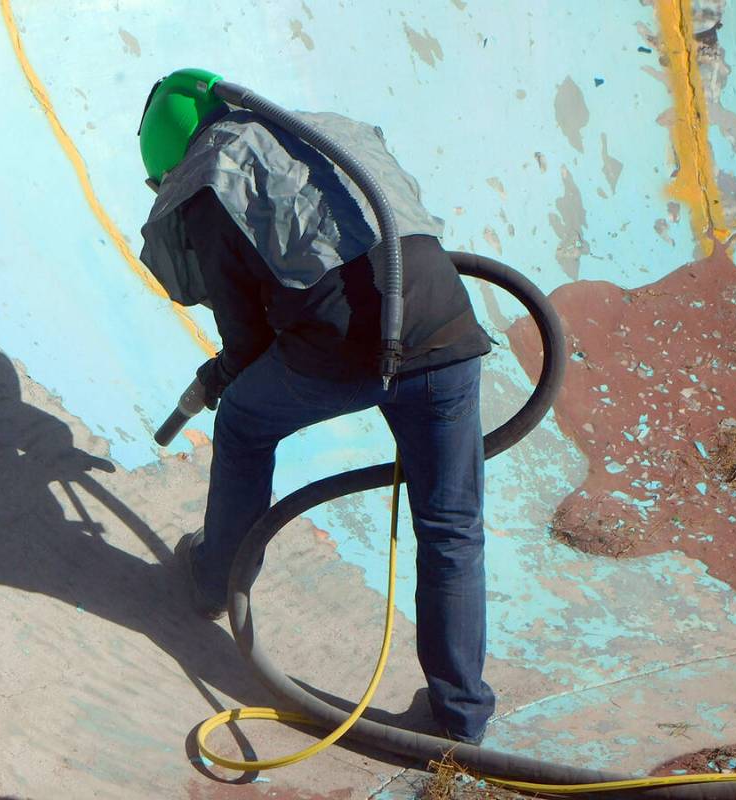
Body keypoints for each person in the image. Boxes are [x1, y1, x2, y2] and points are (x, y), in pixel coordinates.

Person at [137, 69, 495, 745]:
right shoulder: (323, 134)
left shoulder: (211, 178)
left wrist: (220, 377)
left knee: (243, 422)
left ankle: (214, 579)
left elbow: (245, 338)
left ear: (169, 159)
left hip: (346, 345)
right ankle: (460, 717)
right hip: (446, 326)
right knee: (450, 526)